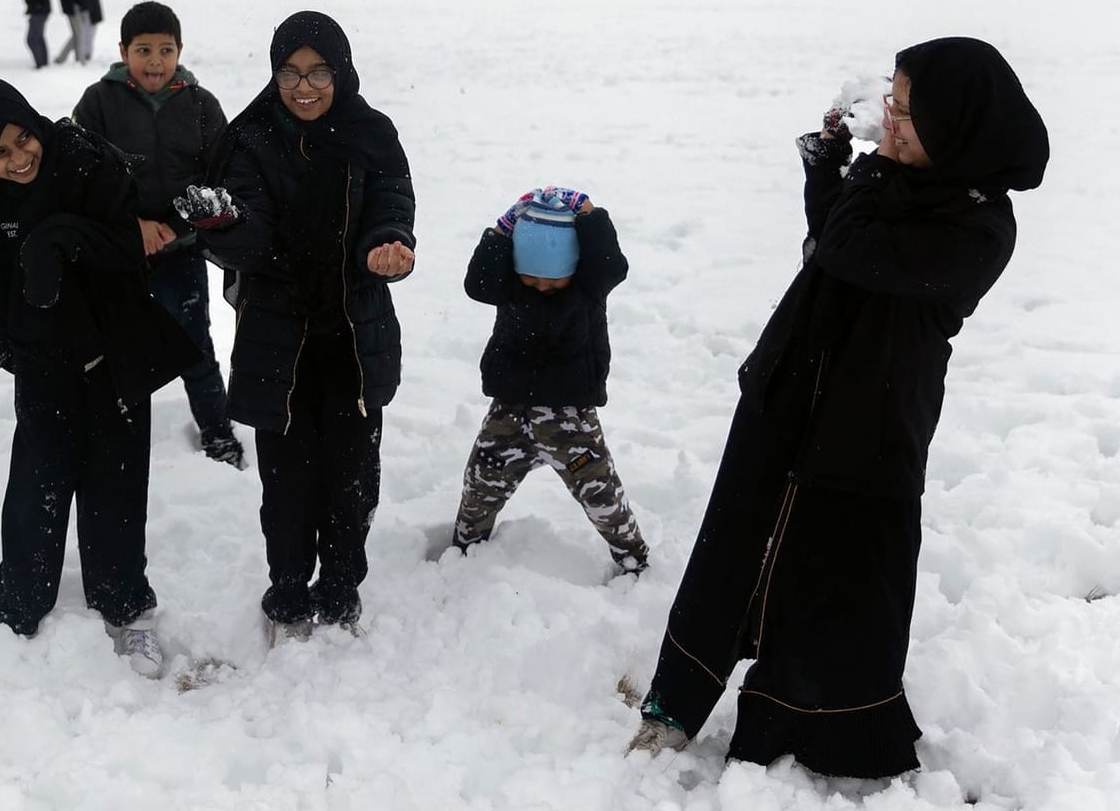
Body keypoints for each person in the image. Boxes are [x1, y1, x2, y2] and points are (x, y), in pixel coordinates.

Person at [628, 38, 1049, 778]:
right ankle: (677, 698)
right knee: (732, 546)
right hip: (792, 385)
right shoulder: (892, 181)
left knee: (839, 576)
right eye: (890, 100)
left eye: (907, 111)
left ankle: (822, 729)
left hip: (873, 420)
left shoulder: (980, 225)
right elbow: (830, 237)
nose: (890, 120)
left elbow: (854, 249)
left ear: (956, 125)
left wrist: (869, 170)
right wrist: (829, 164)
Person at [0, 79, 198, 678]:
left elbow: (129, 251)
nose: (21, 157)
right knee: (36, 488)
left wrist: (57, 238)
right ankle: (19, 605)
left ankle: (125, 606)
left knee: (117, 488)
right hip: (45, 362)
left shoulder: (82, 158)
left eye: (24, 137)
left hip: (113, 354)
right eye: (0, 153)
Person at [182, 11, 416, 640]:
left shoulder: (373, 133)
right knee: (286, 488)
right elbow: (252, 238)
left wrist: (388, 243)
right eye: (290, 72)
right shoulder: (252, 139)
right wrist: (226, 223)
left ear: (340, 71)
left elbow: (392, 202)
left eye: (318, 72)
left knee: (353, 481)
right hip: (277, 345)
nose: (304, 86)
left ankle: (341, 592)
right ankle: (287, 596)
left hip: (353, 339)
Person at [72, 1, 244, 468]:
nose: (155, 61)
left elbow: (221, 178)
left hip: (180, 252)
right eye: (143, 50)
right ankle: (109, 433)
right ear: (123, 51)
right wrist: (133, 226)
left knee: (194, 345)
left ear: (180, 51)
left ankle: (217, 433)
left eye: (165, 50)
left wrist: (174, 225)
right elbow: (80, 175)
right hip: (117, 255)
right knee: (111, 350)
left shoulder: (201, 105)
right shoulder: (98, 102)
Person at [450, 186, 648, 575]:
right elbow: (479, 284)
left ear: (573, 266)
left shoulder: (589, 286)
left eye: (552, 280)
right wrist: (500, 231)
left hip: (570, 420)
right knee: (481, 482)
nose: (541, 286)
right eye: (531, 277)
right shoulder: (509, 285)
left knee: (600, 493)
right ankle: (465, 551)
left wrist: (590, 215)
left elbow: (611, 264)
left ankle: (633, 558)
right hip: (508, 411)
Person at [10, 0, 52, 69]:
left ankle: (41, 64)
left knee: (32, 38)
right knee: (38, 37)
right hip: (34, 9)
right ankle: (43, 63)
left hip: (41, 9)